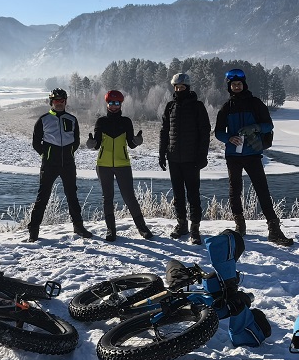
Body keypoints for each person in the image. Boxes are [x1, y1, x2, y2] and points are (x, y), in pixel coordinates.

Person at [214, 68, 292, 246]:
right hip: (233, 155)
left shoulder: (256, 103)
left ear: (244, 84)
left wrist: (255, 127)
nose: (236, 86)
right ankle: (240, 226)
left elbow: (268, 125)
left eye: (239, 84)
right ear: (229, 87)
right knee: (235, 191)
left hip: (253, 154)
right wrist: (228, 138)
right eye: (233, 84)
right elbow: (218, 132)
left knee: (262, 189)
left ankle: (274, 229)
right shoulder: (226, 107)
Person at [26, 88, 94, 241]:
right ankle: (33, 230)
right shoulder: (43, 120)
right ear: (51, 102)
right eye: (56, 101)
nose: (59, 104)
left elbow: (76, 141)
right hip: (49, 164)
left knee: (72, 195)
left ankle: (78, 226)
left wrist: (69, 153)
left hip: (68, 163)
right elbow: (36, 143)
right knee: (42, 197)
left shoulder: (72, 119)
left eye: (62, 101)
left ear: (65, 102)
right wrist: (46, 155)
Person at [86, 90, 152, 241]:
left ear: (121, 104)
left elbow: (130, 144)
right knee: (107, 198)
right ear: (107, 104)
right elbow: (96, 144)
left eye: (116, 103)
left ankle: (142, 228)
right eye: (111, 103)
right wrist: (91, 143)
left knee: (129, 196)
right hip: (103, 165)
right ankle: (111, 230)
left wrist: (137, 141)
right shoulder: (101, 122)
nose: (114, 106)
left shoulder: (126, 122)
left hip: (123, 164)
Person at [158, 72, 212, 243]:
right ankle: (181, 224)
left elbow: (205, 133)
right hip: (174, 158)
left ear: (188, 88)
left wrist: (202, 156)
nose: (179, 90)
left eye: (182, 87)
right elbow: (164, 131)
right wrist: (161, 153)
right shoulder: (170, 106)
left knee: (193, 195)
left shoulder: (197, 106)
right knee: (178, 194)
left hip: (191, 159)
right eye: (176, 87)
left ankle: (195, 228)